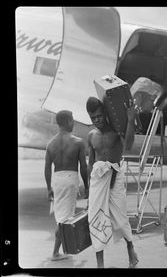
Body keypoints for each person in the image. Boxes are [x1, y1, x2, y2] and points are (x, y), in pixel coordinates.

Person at [86, 96, 139, 268]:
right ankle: (100, 264)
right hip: (97, 181)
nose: (97, 120)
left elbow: (129, 145)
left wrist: (130, 120)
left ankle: (130, 246)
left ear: (105, 114)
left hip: (116, 177)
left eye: (99, 116)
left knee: (121, 218)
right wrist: (88, 191)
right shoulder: (91, 135)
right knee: (95, 219)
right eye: (93, 118)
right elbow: (90, 163)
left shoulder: (116, 131)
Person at [44, 110, 88, 261]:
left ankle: (64, 249)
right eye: (73, 120)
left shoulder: (50, 144)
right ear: (69, 121)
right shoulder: (78, 142)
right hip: (70, 179)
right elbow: (83, 166)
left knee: (62, 217)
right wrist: (87, 186)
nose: (74, 122)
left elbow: (47, 168)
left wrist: (49, 188)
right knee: (64, 219)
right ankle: (55, 253)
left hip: (57, 179)